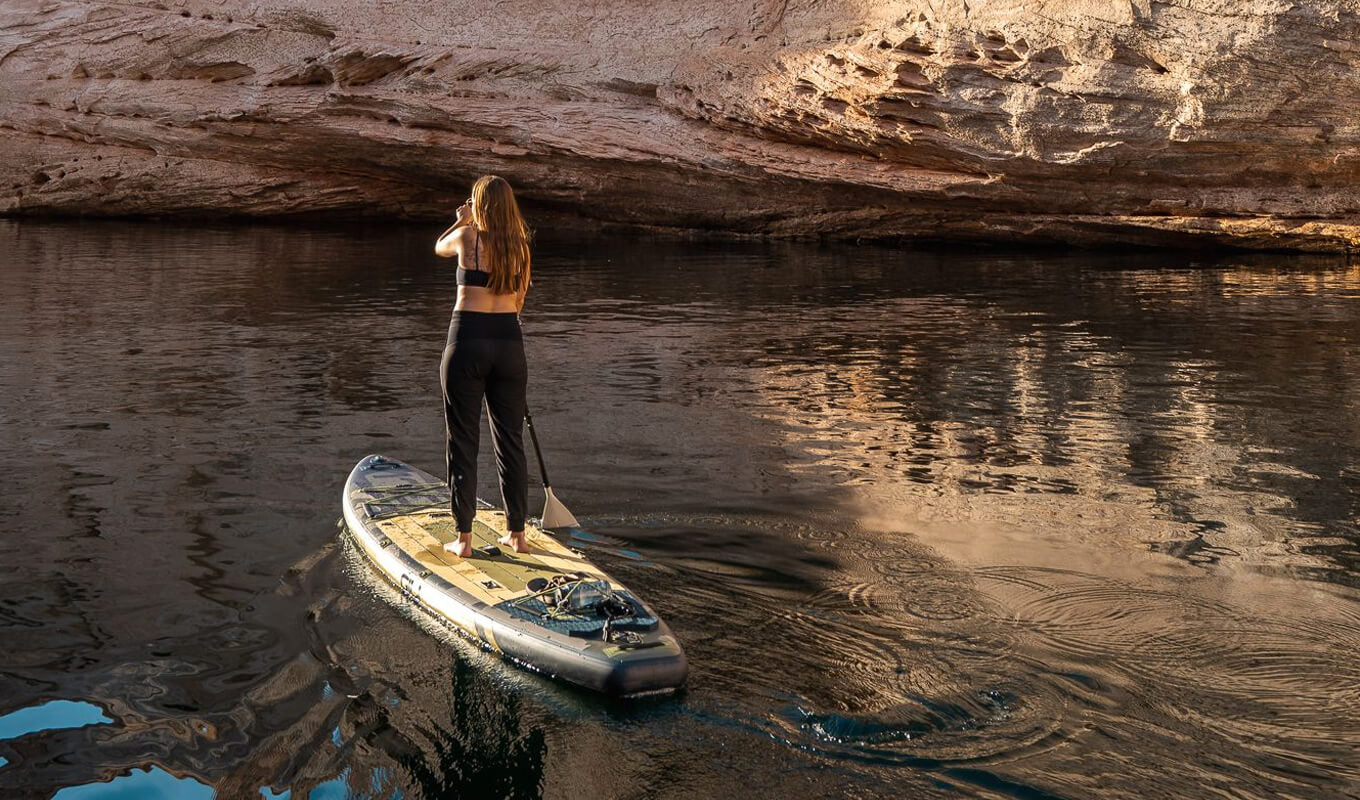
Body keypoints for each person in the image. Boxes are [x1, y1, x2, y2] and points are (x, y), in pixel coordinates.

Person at [433, 175, 532, 557]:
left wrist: (460, 220)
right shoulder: (520, 248)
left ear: (479, 205)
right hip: (508, 343)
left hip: (467, 340)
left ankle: (463, 540)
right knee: (510, 441)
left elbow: (438, 247)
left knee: (462, 441)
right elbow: (519, 301)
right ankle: (517, 535)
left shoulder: (465, 237)